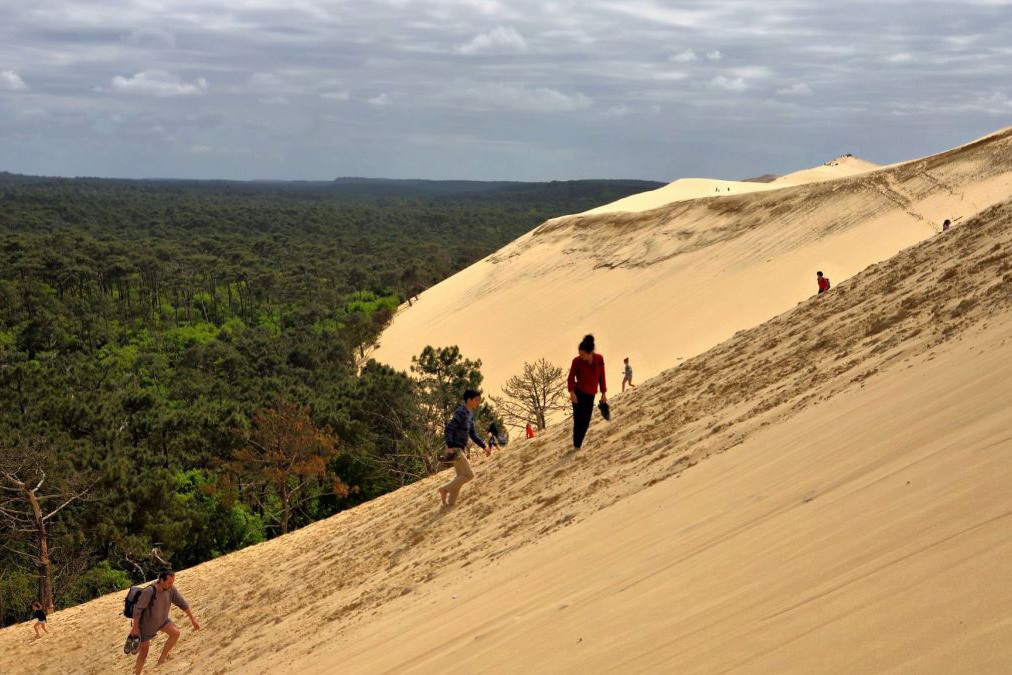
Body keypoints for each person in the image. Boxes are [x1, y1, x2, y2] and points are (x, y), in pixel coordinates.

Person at [129, 569, 200, 675]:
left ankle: (162, 659)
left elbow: (182, 603)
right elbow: (137, 610)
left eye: (172, 582)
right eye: (169, 582)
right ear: (161, 580)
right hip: (144, 627)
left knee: (175, 633)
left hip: (162, 621)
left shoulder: (171, 589)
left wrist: (192, 619)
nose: (171, 585)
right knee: (143, 654)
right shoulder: (149, 591)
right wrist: (135, 628)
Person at [438, 389, 486, 507]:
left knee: (460, 477)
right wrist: (450, 446)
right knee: (469, 475)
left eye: (478, 400)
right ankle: (445, 489)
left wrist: (484, 446)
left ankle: (450, 504)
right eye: (476, 400)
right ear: (468, 400)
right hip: (455, 448)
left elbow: (473, 434)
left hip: (460, 449)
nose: (477, 403)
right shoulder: (461, 412)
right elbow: (449, 428)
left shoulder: (469, 415)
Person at [567, 334, 607, 452]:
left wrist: (603, 393)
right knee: (578, 420)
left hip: (591, 395)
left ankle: (578, 444)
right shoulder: (577, 361)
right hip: (578, 394)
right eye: (580, 354)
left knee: (586, 421)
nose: (581, 356)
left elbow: (602, 377)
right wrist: (571, 392)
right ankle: (577, 445)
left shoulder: (599, 359)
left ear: (590, 353)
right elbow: (570, 378)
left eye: (583, 354)